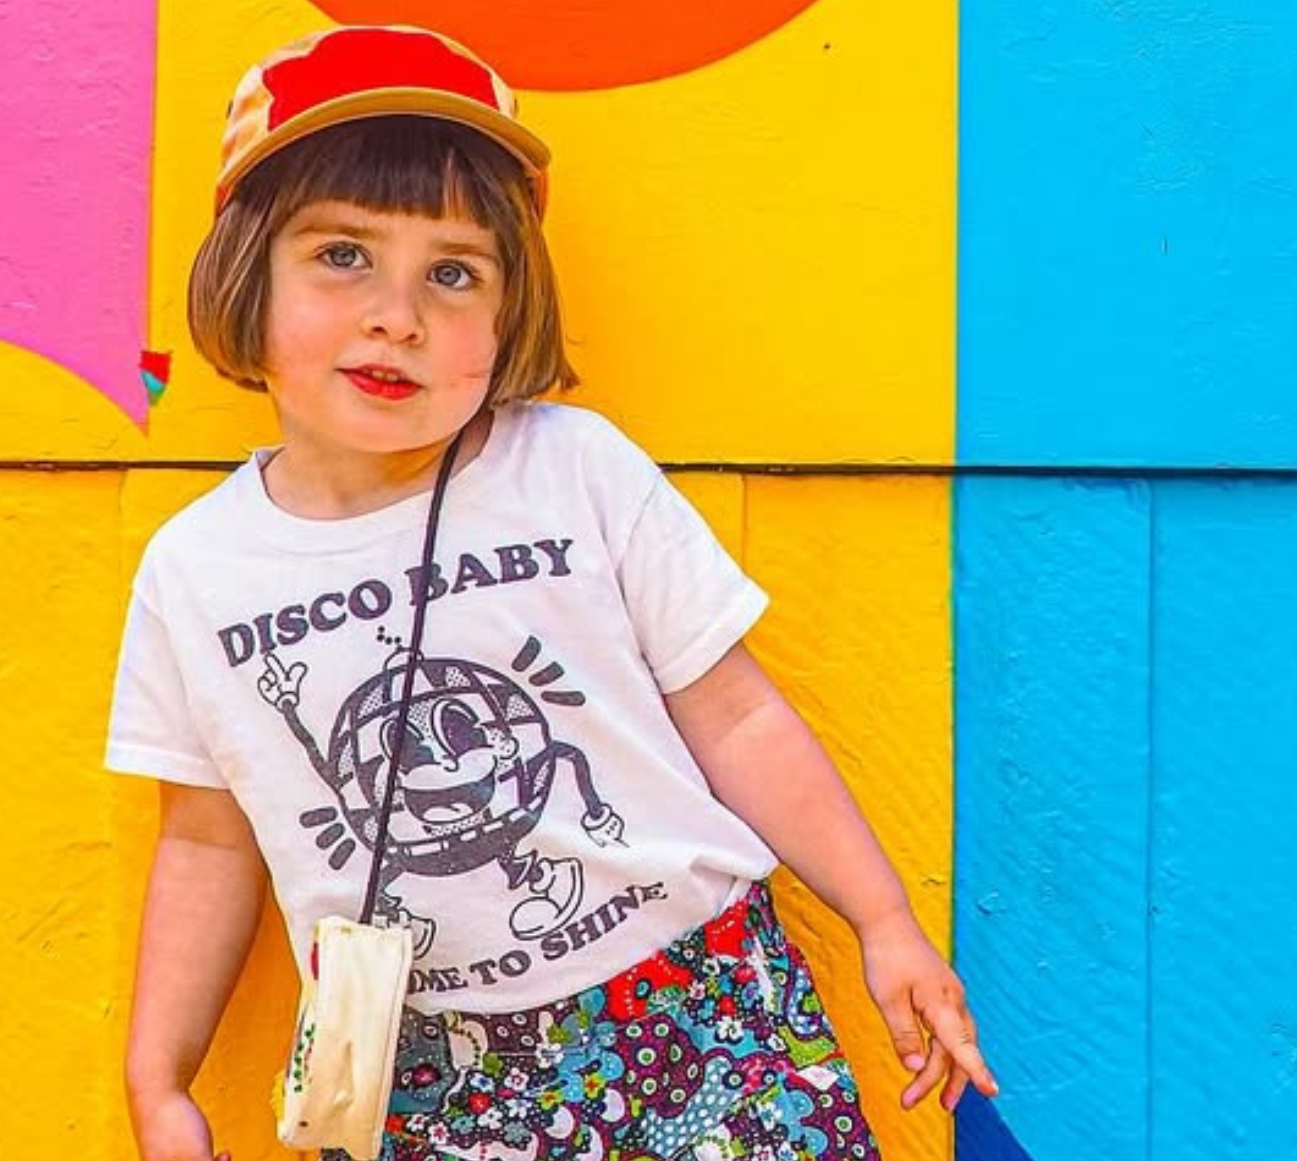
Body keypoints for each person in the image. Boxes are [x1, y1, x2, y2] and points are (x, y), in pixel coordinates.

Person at [105, 24, 996, 1161]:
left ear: (511, 301)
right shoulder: (198, 571)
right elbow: (207, 845)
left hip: (695, 1008)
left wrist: (884, 923)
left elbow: (738, 713)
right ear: (244, 271)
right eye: (342, 256)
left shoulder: (572, 470)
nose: (398, 314)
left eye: (453, 272)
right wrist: (158, 1077)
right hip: (414, 1072)